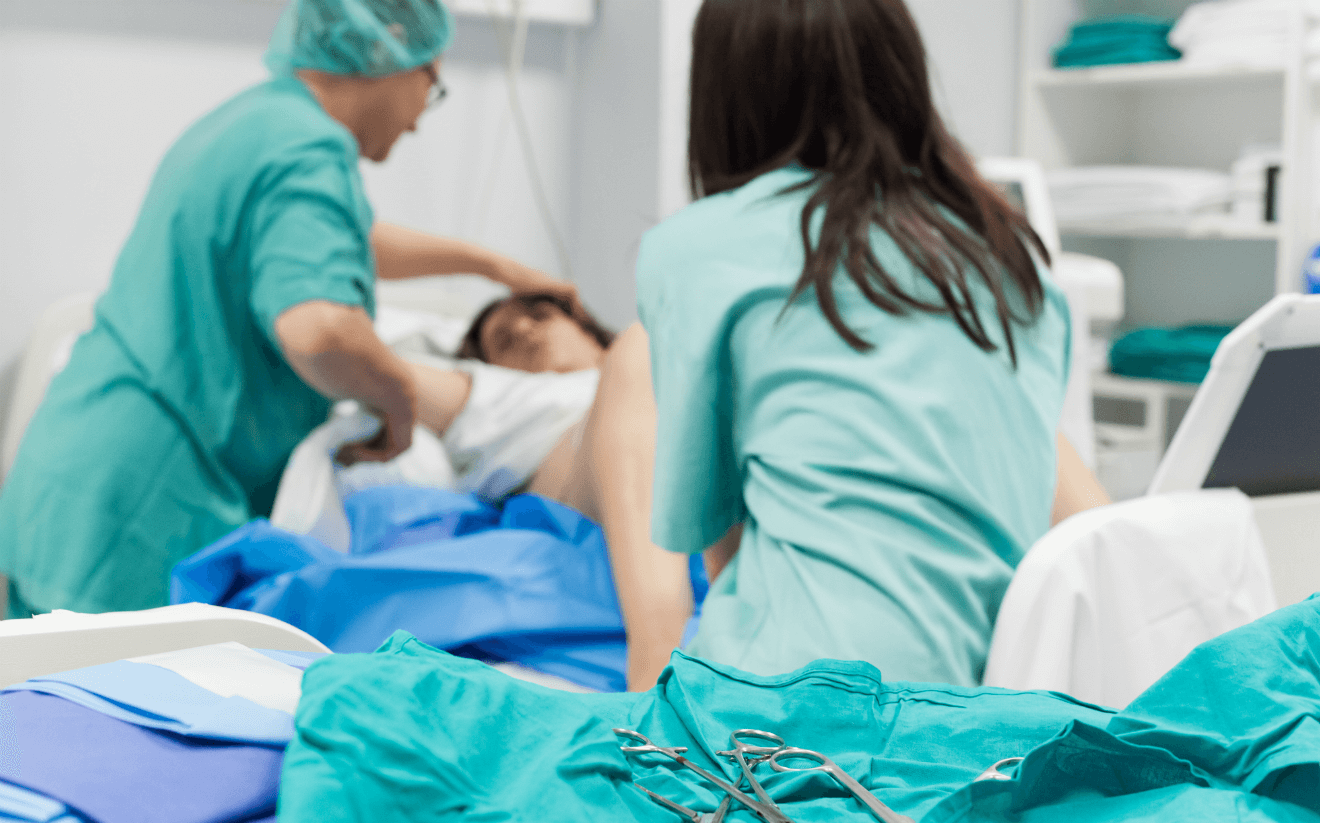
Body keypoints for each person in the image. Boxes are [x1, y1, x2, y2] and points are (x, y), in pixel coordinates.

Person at [0, 0, 572, 618]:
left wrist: (489, 265)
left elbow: (333, 239)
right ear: (391, 54)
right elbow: (320, 328)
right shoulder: (310, 150)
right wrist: (397, 398)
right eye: (432, 85)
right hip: (146, 496)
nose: (417, 122)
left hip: (79, 471)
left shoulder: (259, 122)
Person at [621, 0, 1109, 688]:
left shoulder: (695, 251)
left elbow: (712, 542)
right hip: (988, 716)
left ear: (724, 92)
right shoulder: (1013, 262)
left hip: (790, 721)